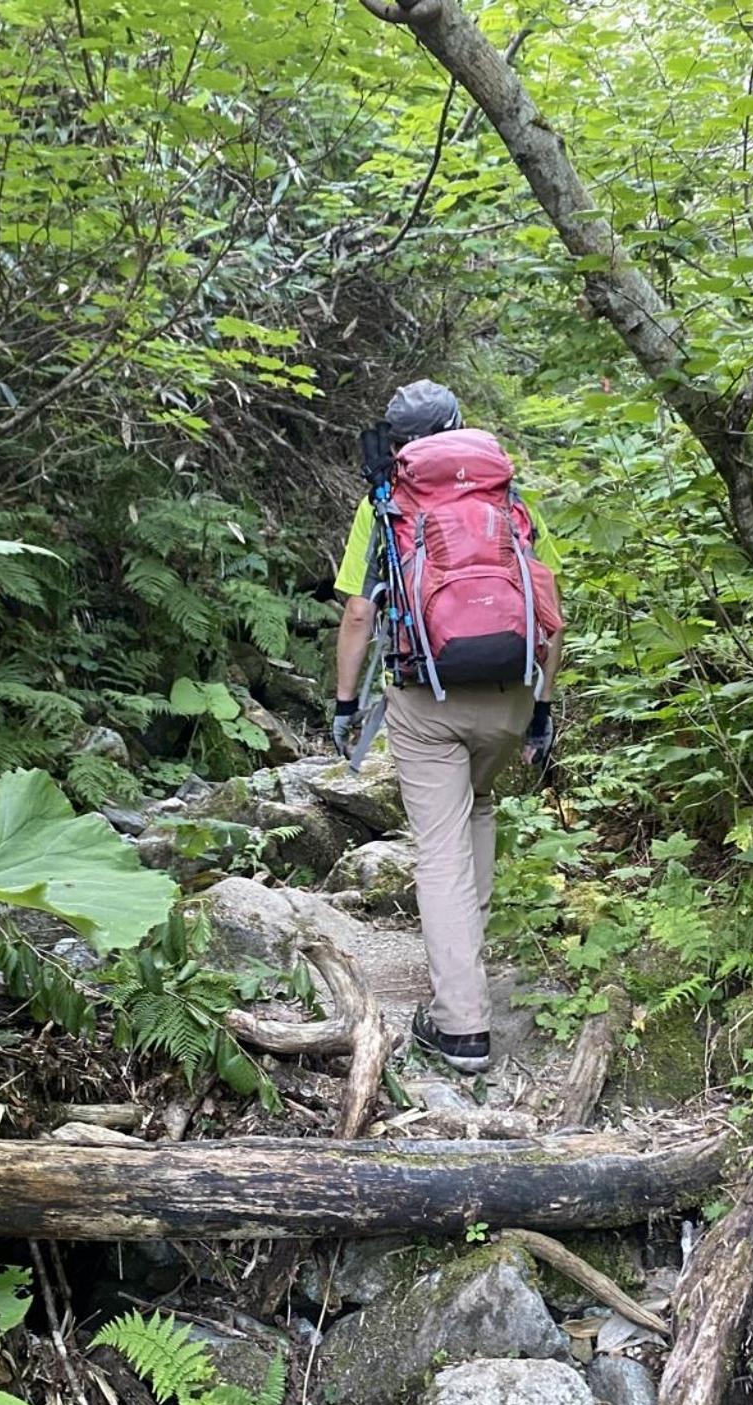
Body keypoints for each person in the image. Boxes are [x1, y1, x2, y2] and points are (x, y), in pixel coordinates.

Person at [329, 380, 563, 1074]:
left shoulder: (385, 503)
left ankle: (461, 1026)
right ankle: (468, 967)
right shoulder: (508, 496)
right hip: (511, 690)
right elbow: (551, 613)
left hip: (427, 699)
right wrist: (541, 708)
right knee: (477, 805)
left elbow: (359, 613)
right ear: (460, 425)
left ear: (399, 442)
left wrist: (345, 703)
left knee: (439, 850)